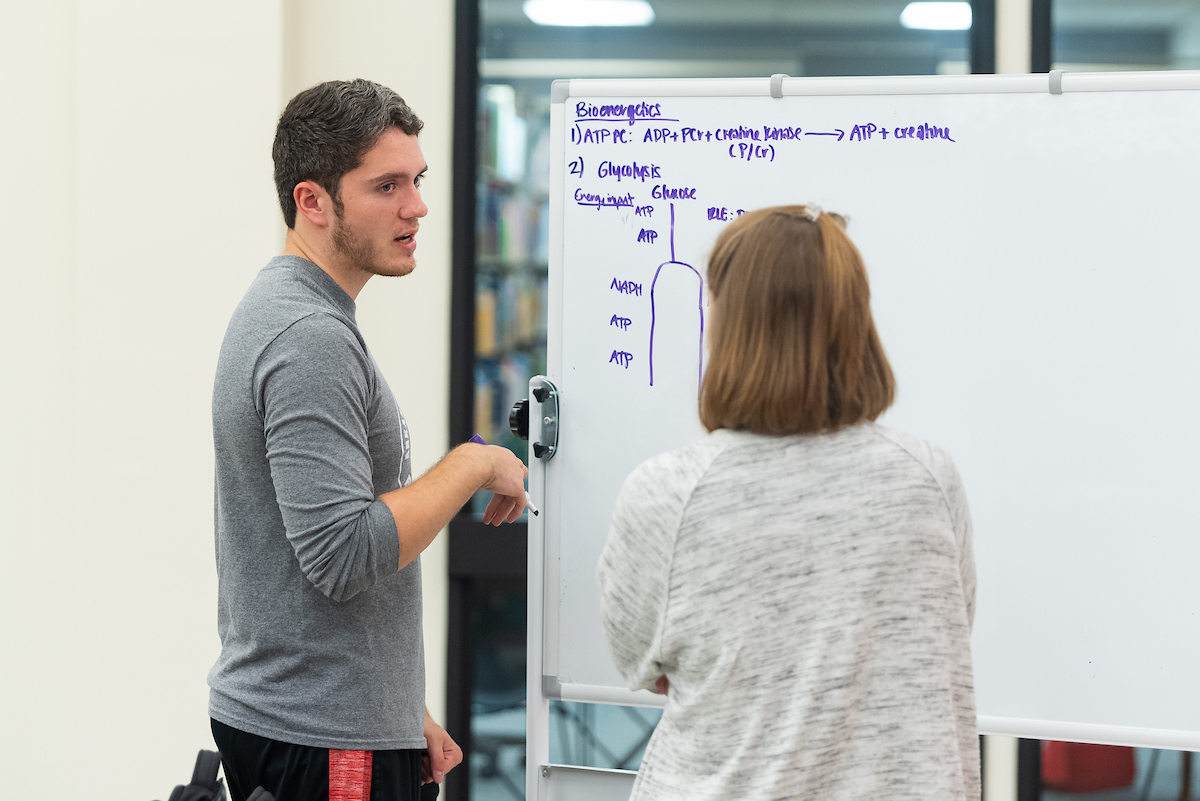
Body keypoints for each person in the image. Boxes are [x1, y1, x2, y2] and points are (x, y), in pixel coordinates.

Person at [208, 79, 528, 801]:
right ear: (312, 201)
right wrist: (473, 461)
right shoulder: (308, 338)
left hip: (336, 723)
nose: (416, 205)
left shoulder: (308, 316)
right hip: (319, 738)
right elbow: (344, 553)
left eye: (416, 180)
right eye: (386, 185)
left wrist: (397, 707)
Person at [598, 205, 979, 800]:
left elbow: (641, 663)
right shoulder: (928, 477)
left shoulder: (668, 493)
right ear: (856, 323)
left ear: (729, 325)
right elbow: (948, 627)